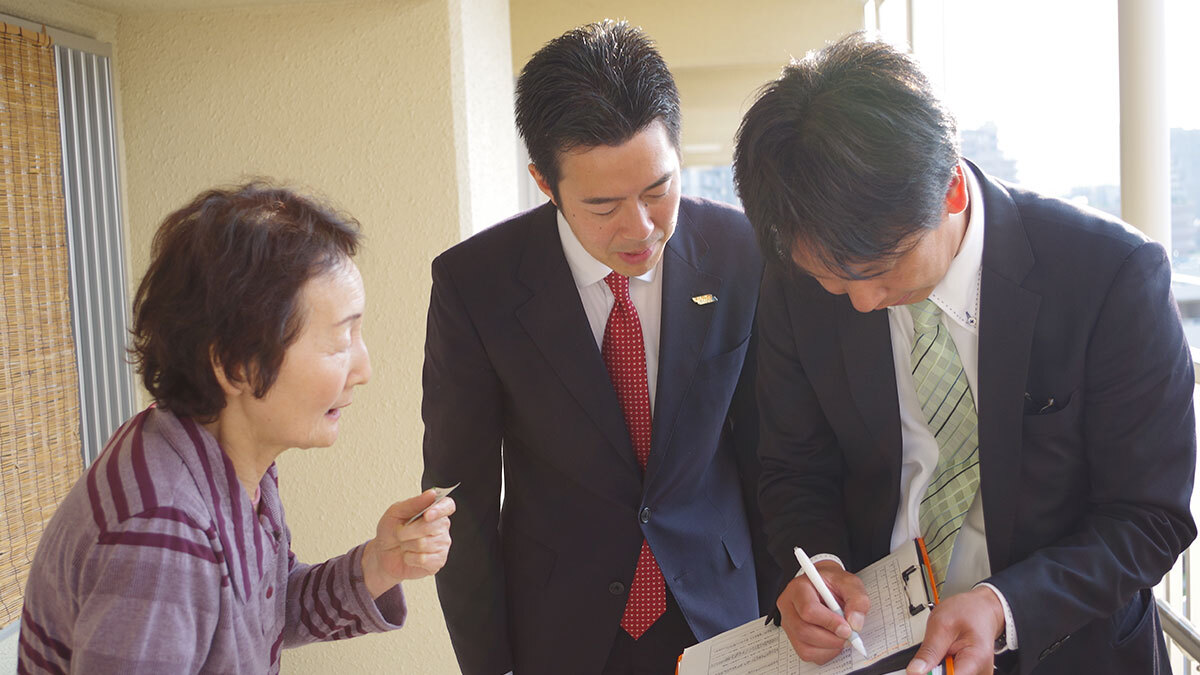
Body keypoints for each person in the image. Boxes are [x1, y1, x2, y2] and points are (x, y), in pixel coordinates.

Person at [732, 32, 1196, 675]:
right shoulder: (794, 283)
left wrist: (1002, 604)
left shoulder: (1110, 276)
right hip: (880, 650)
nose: (861, 303)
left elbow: (1149, 517)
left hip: (1067, 647)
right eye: (834, 282)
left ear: (950, 188)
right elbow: (793, 468)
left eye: (879, 268)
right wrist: (820, 568)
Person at [421, 20, 776, 675]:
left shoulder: (741, 253)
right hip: (559, 632)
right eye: (605, 204)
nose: (640, 228)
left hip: (722, 615)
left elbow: (770, 456)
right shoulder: (477, 283)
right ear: (545, 182)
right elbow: (459, 497)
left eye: (657, 188)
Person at [18, 183, 455, 674]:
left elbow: (260, 614)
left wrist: (378, 564)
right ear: (236, 366)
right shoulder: (161, 533)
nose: (363, 369)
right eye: (339, 342)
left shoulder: (221, 459)